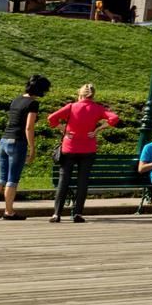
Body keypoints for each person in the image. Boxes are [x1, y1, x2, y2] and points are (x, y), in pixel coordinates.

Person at [45, 83, 120, 223]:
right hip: (88, 148)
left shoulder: (72, 107)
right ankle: (78, 213)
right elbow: (114, 118)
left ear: (79, 94)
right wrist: (98, 129)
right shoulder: (97, 108)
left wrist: (64, 129)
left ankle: (56, 213)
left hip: (70, 148)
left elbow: (51, 118)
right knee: (82, 181)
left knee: (64, 180)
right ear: (93, 95)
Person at [0, 74, 49, 220]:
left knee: (1, 178)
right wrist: (32, 148)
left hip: (4, 140)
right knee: (12, 179)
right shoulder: (32, 103)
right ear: (40, 90)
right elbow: (29, 127)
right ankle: (9, 211)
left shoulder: (16, 100)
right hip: (17, 143)